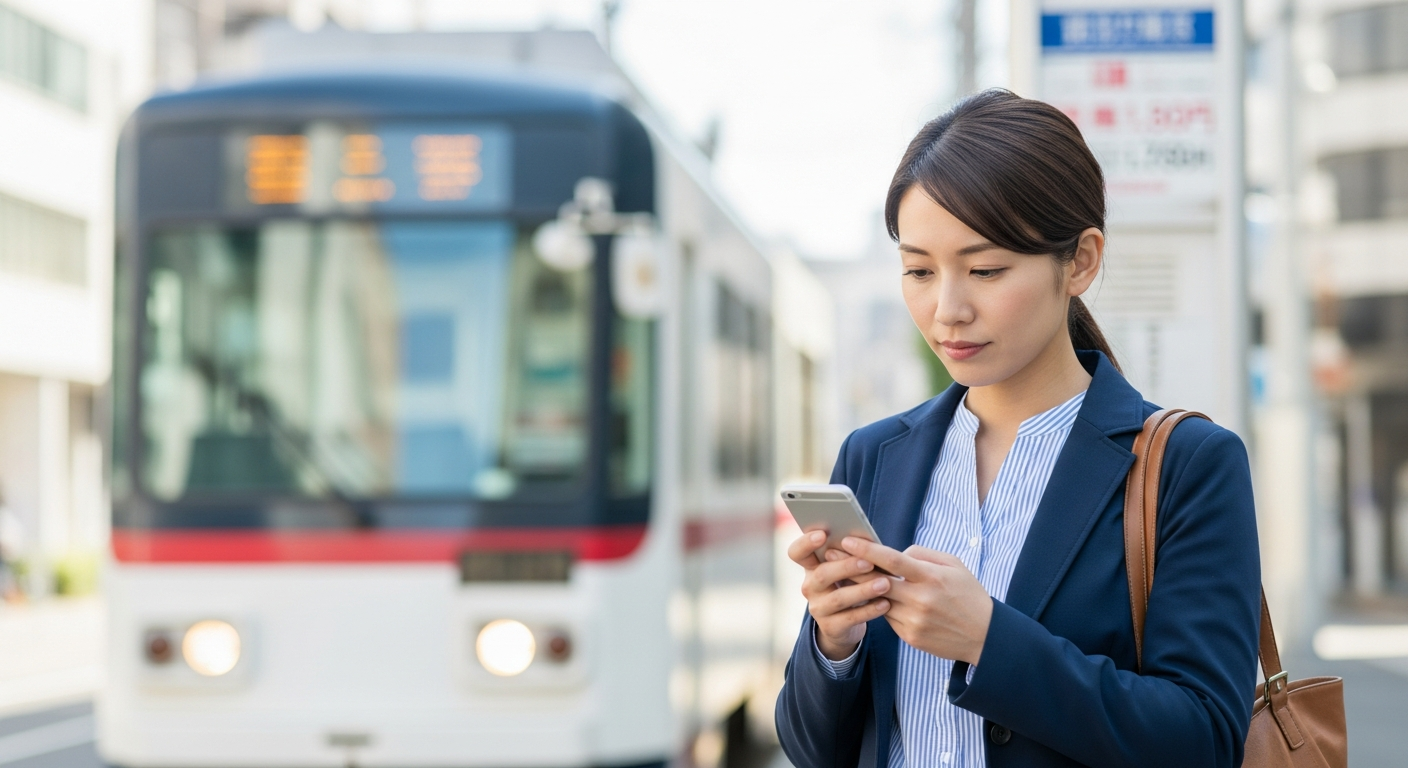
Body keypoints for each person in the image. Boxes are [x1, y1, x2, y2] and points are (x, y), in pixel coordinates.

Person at [775, 89, 1261, 768]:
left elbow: (1204, 740)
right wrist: (835, 642)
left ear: (1081, 262)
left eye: (985, 270)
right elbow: (812, 749)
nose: (947, 309)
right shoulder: (873, 456)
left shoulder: (1187, 465)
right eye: (918, 270)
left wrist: (989, 641)